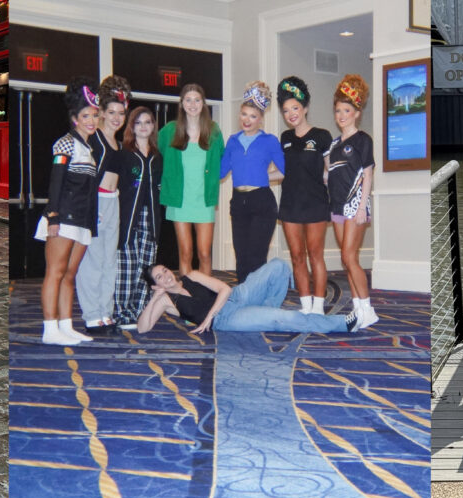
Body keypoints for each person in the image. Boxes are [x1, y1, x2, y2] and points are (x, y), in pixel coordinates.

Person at [131, 259, 375, 335]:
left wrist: (207, 317)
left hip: (236, 296)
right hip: (228, 318)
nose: (166, 277)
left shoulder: (192, 275)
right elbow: (142, 329)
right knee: (283, 318)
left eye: (164, 271)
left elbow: (224, 290)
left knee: (279, 265)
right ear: (156, 286)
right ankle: (343, 324)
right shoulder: (164, 301)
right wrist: (155, 299)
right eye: (159, 278)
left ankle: (265, 313)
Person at [35, 82, 103, 346]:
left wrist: (91, 224)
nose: (91, 120)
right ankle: (49, 329)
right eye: (86, 116)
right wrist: (53, 216)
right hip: (63, 219)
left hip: (82, 221)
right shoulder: (64, 144)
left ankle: (66, 326)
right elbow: (56, 181)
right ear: (75, 119)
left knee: (70, 274)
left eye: (95, 115)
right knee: (55, 271)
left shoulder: (89, 149)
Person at [275, 77, 336, 314]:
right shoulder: (285, 138)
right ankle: (305, 304)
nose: (291, 114)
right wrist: (250, 174)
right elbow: (281, 171)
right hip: (290, 204)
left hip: (315, 204)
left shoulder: (322, 136)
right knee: (297, 257)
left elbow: (331, 171)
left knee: (315, 255)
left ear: (305, 108)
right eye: (286, 110)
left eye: (295, 108)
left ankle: (318, 306)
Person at [73, 76, 130, 329]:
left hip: (113, 201)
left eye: (121, 113)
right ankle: (91, 314)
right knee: (92, 261)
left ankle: (105, 312)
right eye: (111, 112)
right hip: (95, 202)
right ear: (102, 114)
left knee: (110, 261)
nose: (117, 117)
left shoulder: (117, 144)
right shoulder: (94, 140)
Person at [324, 74, 379, 322]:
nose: (341, 115)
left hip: (354, 205)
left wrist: (362, 209)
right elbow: (330, 175)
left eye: (346, 110)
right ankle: (358, 308)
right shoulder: (334, 145)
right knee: (348, 260)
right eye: (338, 111)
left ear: (356, 112)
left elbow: (368, 175)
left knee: (348, 257)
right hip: (335, 207)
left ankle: (368, 310)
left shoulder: (363, 140)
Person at [218, 82, 285, 282]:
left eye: (253, 116)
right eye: (244, 114)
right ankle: (243, 301)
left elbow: (283, 171)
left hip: (261, 201)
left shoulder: (270, 141)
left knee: (256, 256)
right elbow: (221, 172)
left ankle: (257, 299)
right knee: (241, 256)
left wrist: (262, 178)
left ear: (261, 120)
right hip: (238, 201)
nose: (247, 120)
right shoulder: (232, 140)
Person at [105, 106, 163, 330]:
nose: (143, 127)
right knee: (127, 267)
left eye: (147, 122)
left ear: (153, 126)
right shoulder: (123, 154)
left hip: (152, 219)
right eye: (138, 123)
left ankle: (140, 311)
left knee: (146, 267)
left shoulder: (158, 157)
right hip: (128, 219)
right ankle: (120, 313)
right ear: (132, 126)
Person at [159, 83, 222, 278]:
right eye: (188, 100)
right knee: (185, 253)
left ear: (203, 104)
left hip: (203, 200)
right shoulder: (169, 131)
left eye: (197, 100)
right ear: (181, 104)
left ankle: (205, 296)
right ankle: (185, 297)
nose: (192, 104)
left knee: (204, 253)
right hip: (180, 201)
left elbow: (222, 158)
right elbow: (156, 152)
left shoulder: (213, 131)